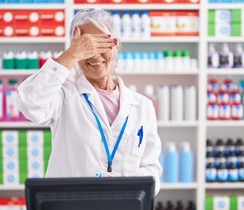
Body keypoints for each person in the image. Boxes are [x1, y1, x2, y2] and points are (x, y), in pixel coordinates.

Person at [17, 8, 162, 195]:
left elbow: (151, 167)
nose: (94, 55)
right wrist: (71, 55)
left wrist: (127, 190)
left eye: (101, 44)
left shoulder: (142, 107)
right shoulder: (63, 96)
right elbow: (30, 104)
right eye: (86, 46)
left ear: (116, 45)